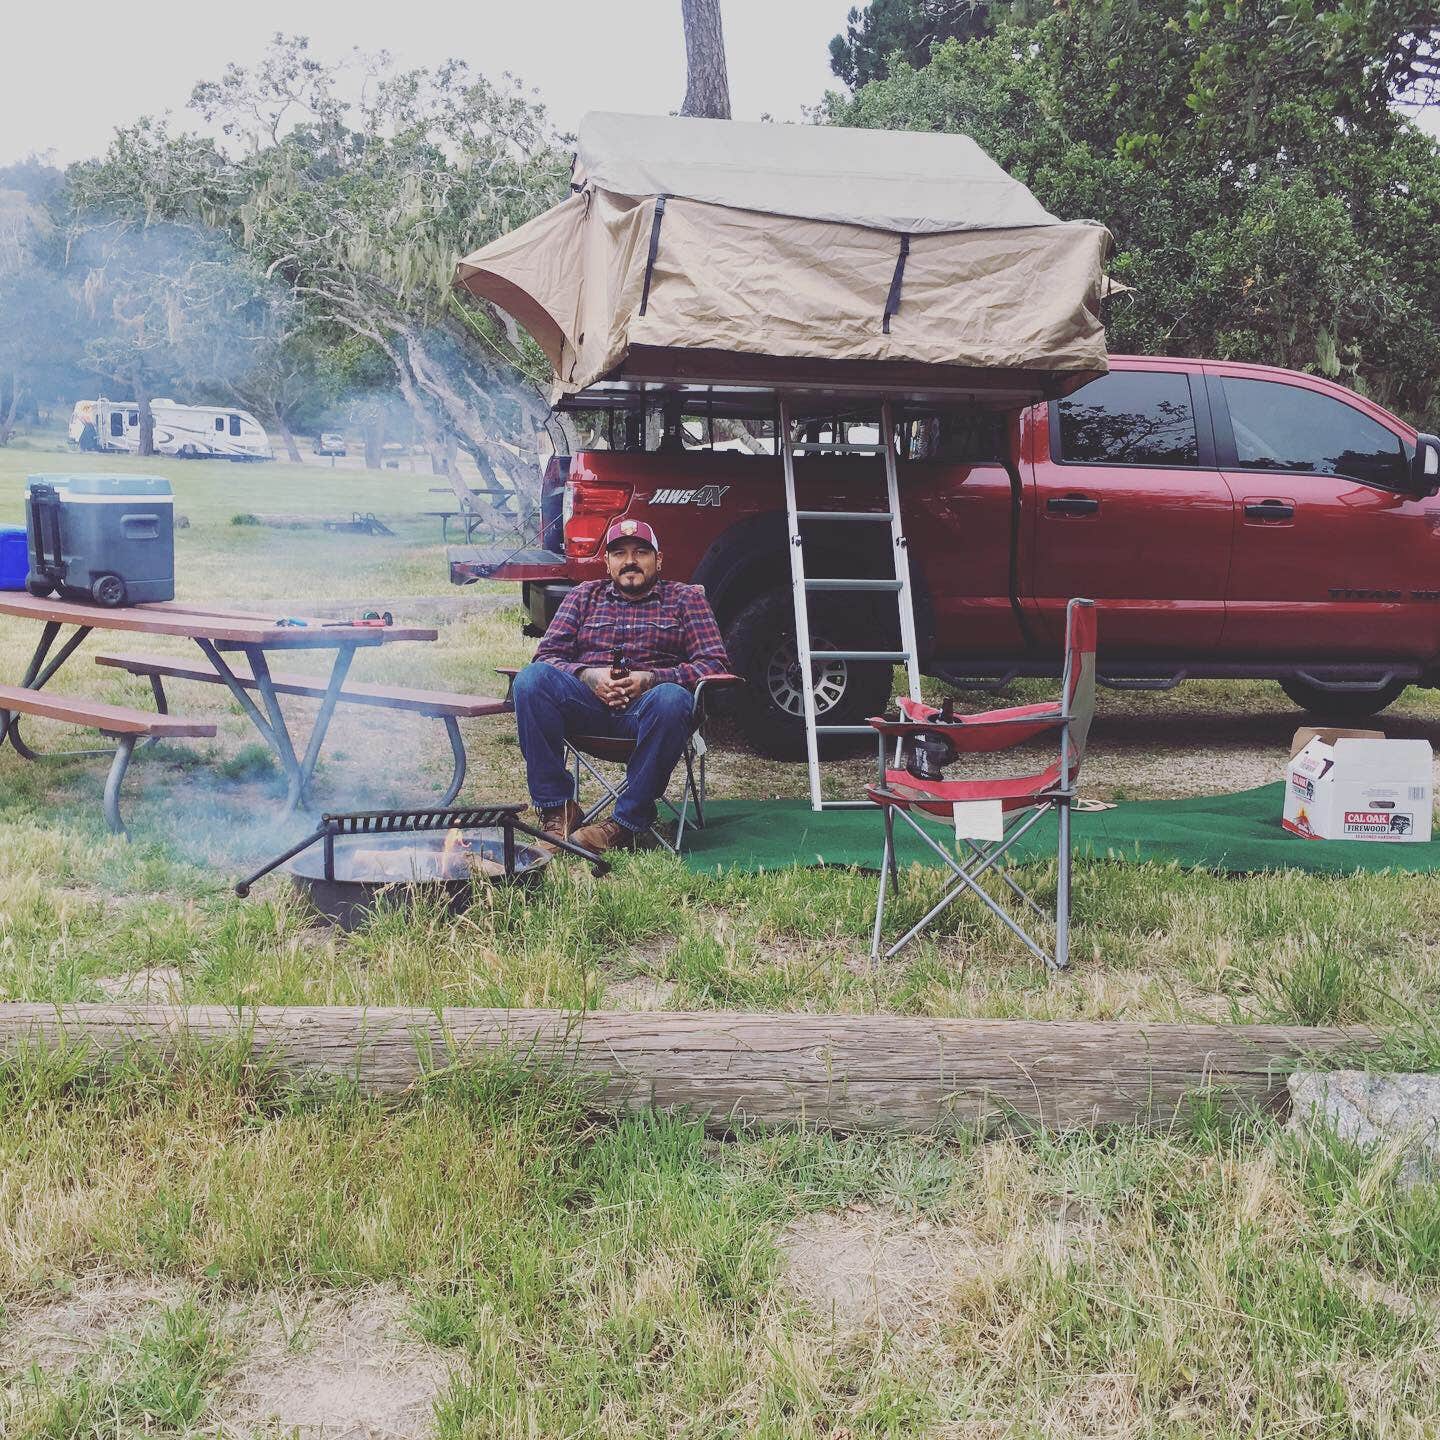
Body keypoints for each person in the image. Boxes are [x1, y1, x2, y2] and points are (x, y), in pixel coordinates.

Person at [510, 519, 729, 854]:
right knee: (531, 679)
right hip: (588, 709)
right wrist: (588, 675)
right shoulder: (583, 596)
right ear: (607, 563)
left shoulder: (686, 599)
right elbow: (548, 656)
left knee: (671, 698)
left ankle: (626, 823)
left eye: (641, 552)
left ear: (658, 560)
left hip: (651, 715)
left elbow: (714, 664)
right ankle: (558, 810)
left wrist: (651, 679)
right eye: (620, 553)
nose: (630, 560)